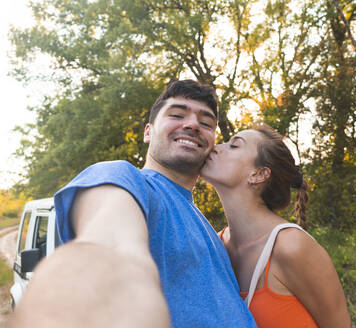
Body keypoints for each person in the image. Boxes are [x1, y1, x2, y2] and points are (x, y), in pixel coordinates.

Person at [9, 80, 257, 328]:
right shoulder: (125, 180)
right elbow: (110, 253)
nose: (193, 124)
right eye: (177, 114)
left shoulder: (204, 224)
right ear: (148, 132)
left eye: (206, 123)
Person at [200, 124, 351, 328]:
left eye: (234, 146)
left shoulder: (292, 247)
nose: (216, 147)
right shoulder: (214, 246)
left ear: (259, 174)